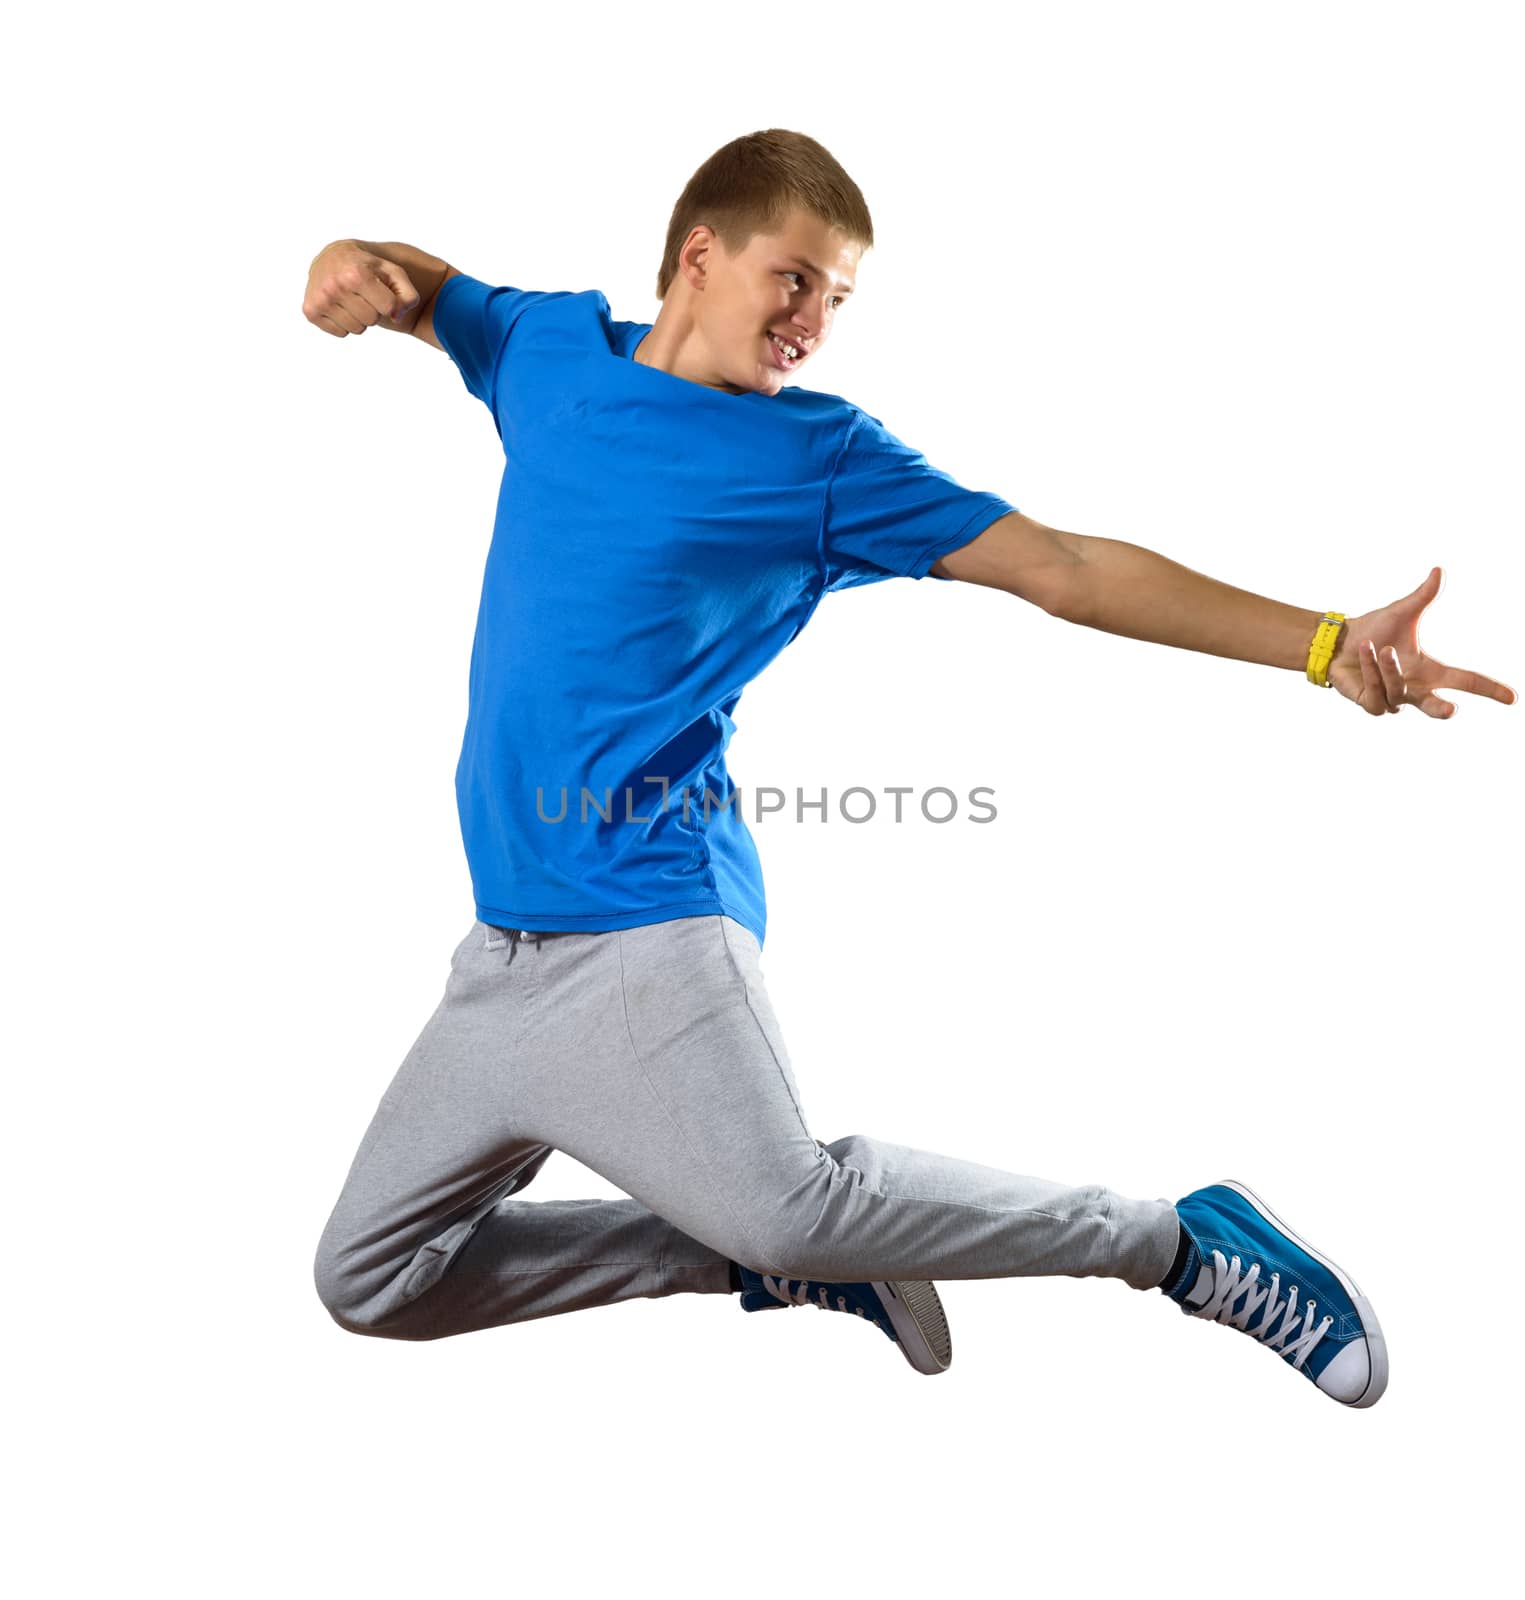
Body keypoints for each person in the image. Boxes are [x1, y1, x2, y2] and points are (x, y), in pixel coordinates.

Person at [305, 129, 1514, 1403]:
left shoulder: (816, 461)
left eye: (838, 298)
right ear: (698, 257)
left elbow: (1070, 571)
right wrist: (347, 261)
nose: (813, 320)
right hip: (500, 958)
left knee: (794, 1200)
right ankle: (795, 1263)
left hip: (647, 928)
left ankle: (1174, 1241)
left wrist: (1321, 644)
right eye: (797, 279)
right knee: (372, 1280)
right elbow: (427, 292)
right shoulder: (547, 353)